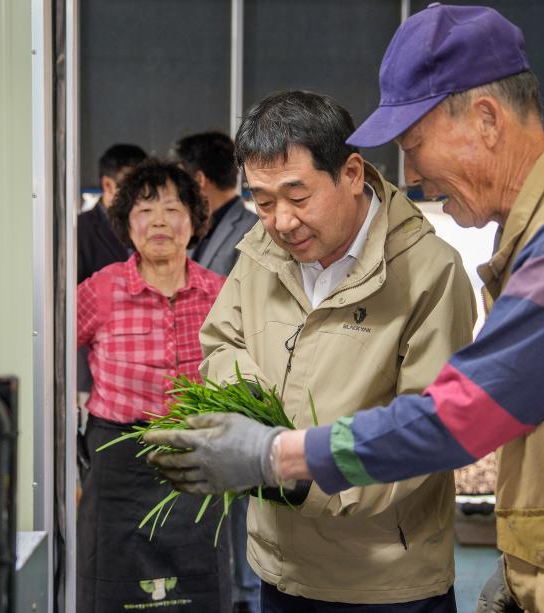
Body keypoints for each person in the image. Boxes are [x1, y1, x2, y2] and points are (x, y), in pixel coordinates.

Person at [144, 5, 544, 613]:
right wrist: (525, 574)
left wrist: (274, 454)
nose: (411, 177)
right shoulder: (537, 228)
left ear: (486, 119)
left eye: (414, 146)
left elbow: (468, 412)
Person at [191, 90, 476, 611]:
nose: (280, 221)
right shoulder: (261, 253)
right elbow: (221, 343)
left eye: (297, 198)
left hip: (383, 580)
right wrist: (258, 425)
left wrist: (297, 472)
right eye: (263, 199)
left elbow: (429, 430)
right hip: (277, 567)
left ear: (351, 174)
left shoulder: (429, 272)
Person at [76, 159, 229, 611]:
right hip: (118, 461)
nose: (159, 221)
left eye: (172, 208)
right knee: (111, 586)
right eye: (144, 210)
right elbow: (54, 353)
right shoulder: (101, 289)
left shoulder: (219, 293)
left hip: (196, 458)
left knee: (197, 586)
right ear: (127, 223)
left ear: (195, 221)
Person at [174, 132, 261, 613]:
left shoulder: (249, 233)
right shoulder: (206, 232)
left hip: (240, 391)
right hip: (208, 391)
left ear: (199, 179)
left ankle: (246, 597)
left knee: (242, 506)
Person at [175, 131, 259, 276]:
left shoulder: (254, 231)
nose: (176, 189)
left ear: (199, 179)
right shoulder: (192, 226)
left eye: (180, 180)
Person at [78, 143, 148, 284]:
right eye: (133, 186)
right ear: (108, 185)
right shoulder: (80, 230)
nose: (143, 194)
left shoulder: (150, 225)